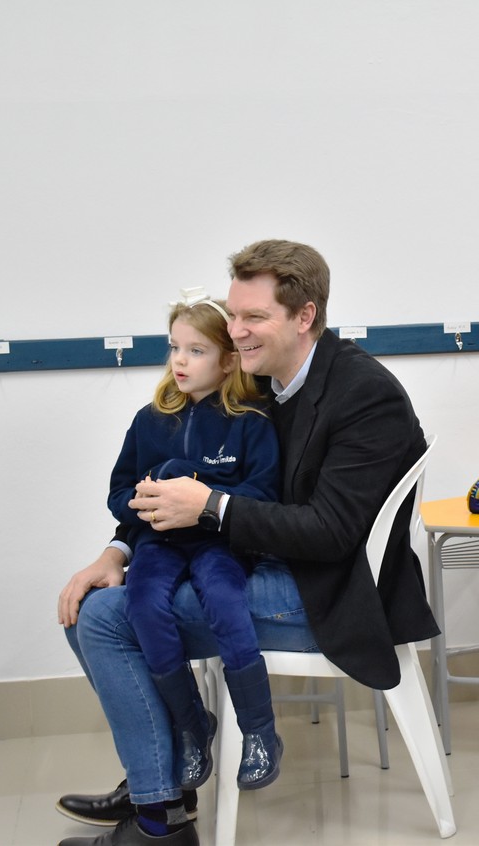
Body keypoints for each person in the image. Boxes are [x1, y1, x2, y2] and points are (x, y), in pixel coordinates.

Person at [55, 240, 437, 846]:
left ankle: (159, 814)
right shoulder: (263, 384)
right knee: (92, 604)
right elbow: (181, 485)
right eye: (232, 315)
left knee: (102, 619)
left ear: (305, 316)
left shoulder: (365, 394)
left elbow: (330, 532)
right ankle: (162, 779)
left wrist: (210, 506)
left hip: (332, 592)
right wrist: (116, 552)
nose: (235, 331)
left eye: (253, 317)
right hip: (268, 567)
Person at [112, 291, 282, 795]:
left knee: (226, 601)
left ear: (228, 361)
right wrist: (145, 504)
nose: (180, 361)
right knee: (142, 606)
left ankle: (260, 730)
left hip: (220, 542)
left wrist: (205, 497)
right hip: (159, 544)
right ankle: (192, 725)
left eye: (196, 350)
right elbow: (118, 493)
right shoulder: (148, 420)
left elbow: (263, 494)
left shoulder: (252, 421)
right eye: (174, 348)